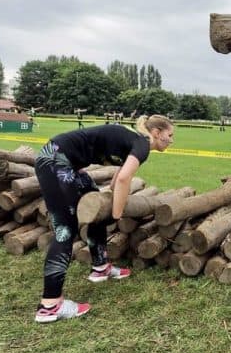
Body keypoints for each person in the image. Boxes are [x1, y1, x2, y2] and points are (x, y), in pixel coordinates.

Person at [33, 115, 174, 323]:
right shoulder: (142, 145)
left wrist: (109, 199)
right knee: (66, 230)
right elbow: (126, 178)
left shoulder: (136, 141)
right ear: (156, 133)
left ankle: (100, 267)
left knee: (96, 203)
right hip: (55, 160)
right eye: (170, 135)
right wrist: (116, 213)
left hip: (66, 162)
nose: (171, 140)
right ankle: (50, 305)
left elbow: (119, 174)